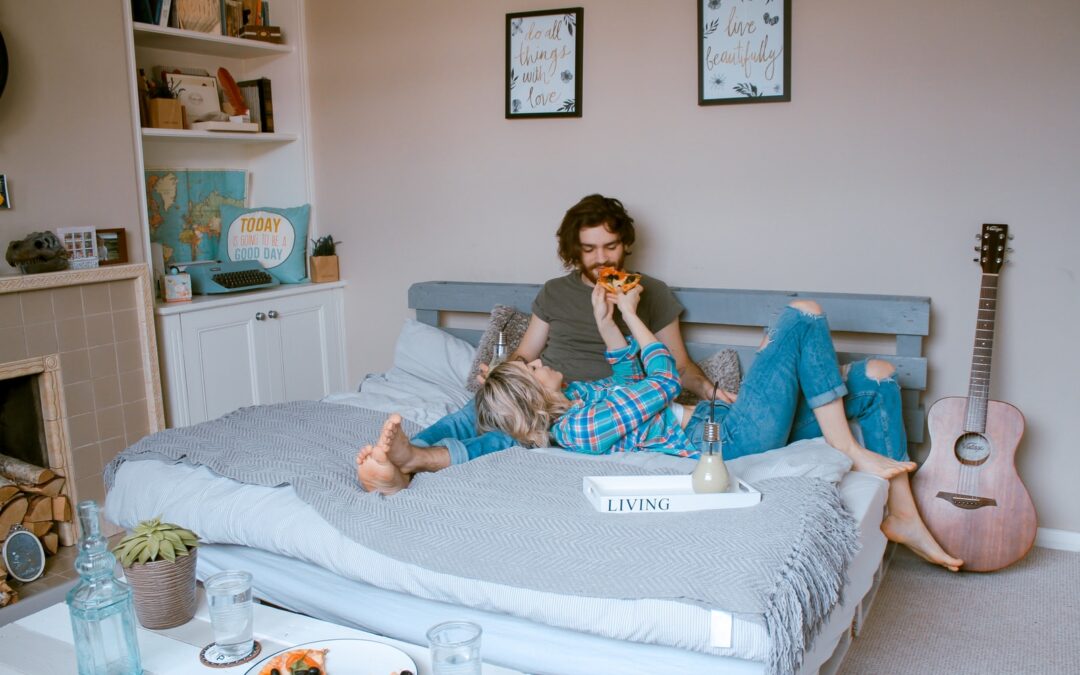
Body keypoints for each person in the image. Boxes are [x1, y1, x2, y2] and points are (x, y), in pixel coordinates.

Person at [360, 283, 963, 572]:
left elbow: (629, 369)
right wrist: (632, 320)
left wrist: (614, 321)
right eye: (536, 367)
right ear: (533, 396)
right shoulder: (582, 428)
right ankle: (845, 447)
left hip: (729, 418)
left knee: (880, 374)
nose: (541, 360)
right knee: (802, 315)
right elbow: (661, 381)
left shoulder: (585, 394)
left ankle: (901, 511)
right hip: (728, 437)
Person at [357, 194, 718, 478]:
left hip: (598, 406)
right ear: (574, 251)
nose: (600, 258)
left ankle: (422, 460)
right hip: (542, 391)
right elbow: (525, 354)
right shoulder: (554, 292)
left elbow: (680, 366)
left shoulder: (647, 291)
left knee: (508, 438)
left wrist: (711, 392)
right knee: (472, 414)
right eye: (589, 249)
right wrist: (499, 374)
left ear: (625, 244)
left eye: (610, 246)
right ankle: (401, 454)